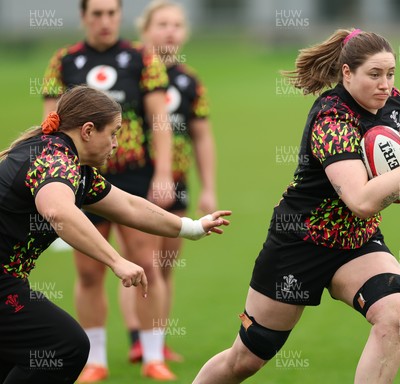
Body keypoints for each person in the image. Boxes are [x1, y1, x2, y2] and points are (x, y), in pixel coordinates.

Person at [193, 28, 400, 383]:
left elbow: (379, 161)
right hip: (300, 243)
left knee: (396, 313)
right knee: (246, 358)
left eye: (390, 73)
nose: (385, 84)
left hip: (355, 243)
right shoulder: (332, 120)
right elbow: (361, 200)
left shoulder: (394, 104)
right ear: (347, 73)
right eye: (374, 74)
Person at [0, 85, 230, 384]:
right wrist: (116, 260)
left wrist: (192, 228)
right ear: (87, 131)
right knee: (65, 346)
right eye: (113, 133)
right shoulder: (53, 160)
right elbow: (59, 212)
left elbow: (130, 206)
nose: (116, 144)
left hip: (8, 280)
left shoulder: (73, 166)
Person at [41, 0, 179, 381]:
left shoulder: (141, 58)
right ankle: (95, 359)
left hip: (132, 175)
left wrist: (163, 173)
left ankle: (153, 355)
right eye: (96, 14)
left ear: (119, 16)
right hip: (80, 177)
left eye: (111, 13)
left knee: (146, 263)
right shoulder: (64, 61)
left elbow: (159, 120)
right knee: (88, 272)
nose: (104, 21)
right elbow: (49, 124)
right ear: (84, 17)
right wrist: (52, 176)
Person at [118, 0, 218, 365]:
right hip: (132, 179)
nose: (170, 31)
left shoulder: (189, 81)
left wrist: (208, 188)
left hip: (175, 181)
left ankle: (156, 340)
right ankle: (138, 340)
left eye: (177, 25)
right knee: (139, 262)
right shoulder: (126, 72)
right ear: (144, 30)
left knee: (164, 266)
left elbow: (202, 137)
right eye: (162, 24)